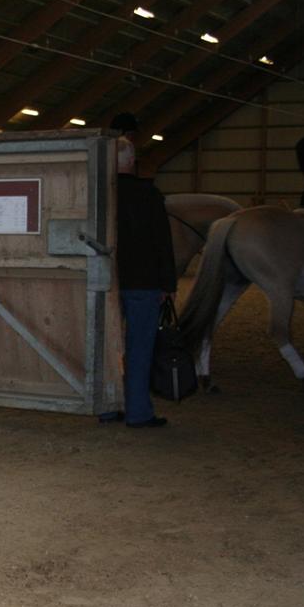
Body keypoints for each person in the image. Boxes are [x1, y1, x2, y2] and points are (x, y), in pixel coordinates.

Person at [103, 112, 177, 428]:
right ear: (132, 161)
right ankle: (138, 411)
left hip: (105, 281)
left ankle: (107, 406)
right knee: (139, 348)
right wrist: (168, 283)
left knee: (106, 347)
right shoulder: (149, 195)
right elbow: (163, 242)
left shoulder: (99, 196)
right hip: (143, 283)